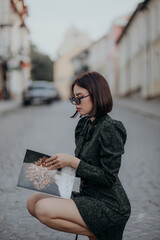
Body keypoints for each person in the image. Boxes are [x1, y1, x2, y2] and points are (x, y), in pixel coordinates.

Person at [27, 71, 131, 240]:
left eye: (80, 97)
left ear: (96, 95)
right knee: (33, 201)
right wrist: (58, 165)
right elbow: (84, 167)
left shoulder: (111, 128)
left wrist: (74, 162)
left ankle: (101, 234)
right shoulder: (84, 124)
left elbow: (108, 177)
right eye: (73, 98)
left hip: (109, 204)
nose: (75, 102)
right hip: (89, 196)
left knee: (43, 209)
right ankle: (99, 233)